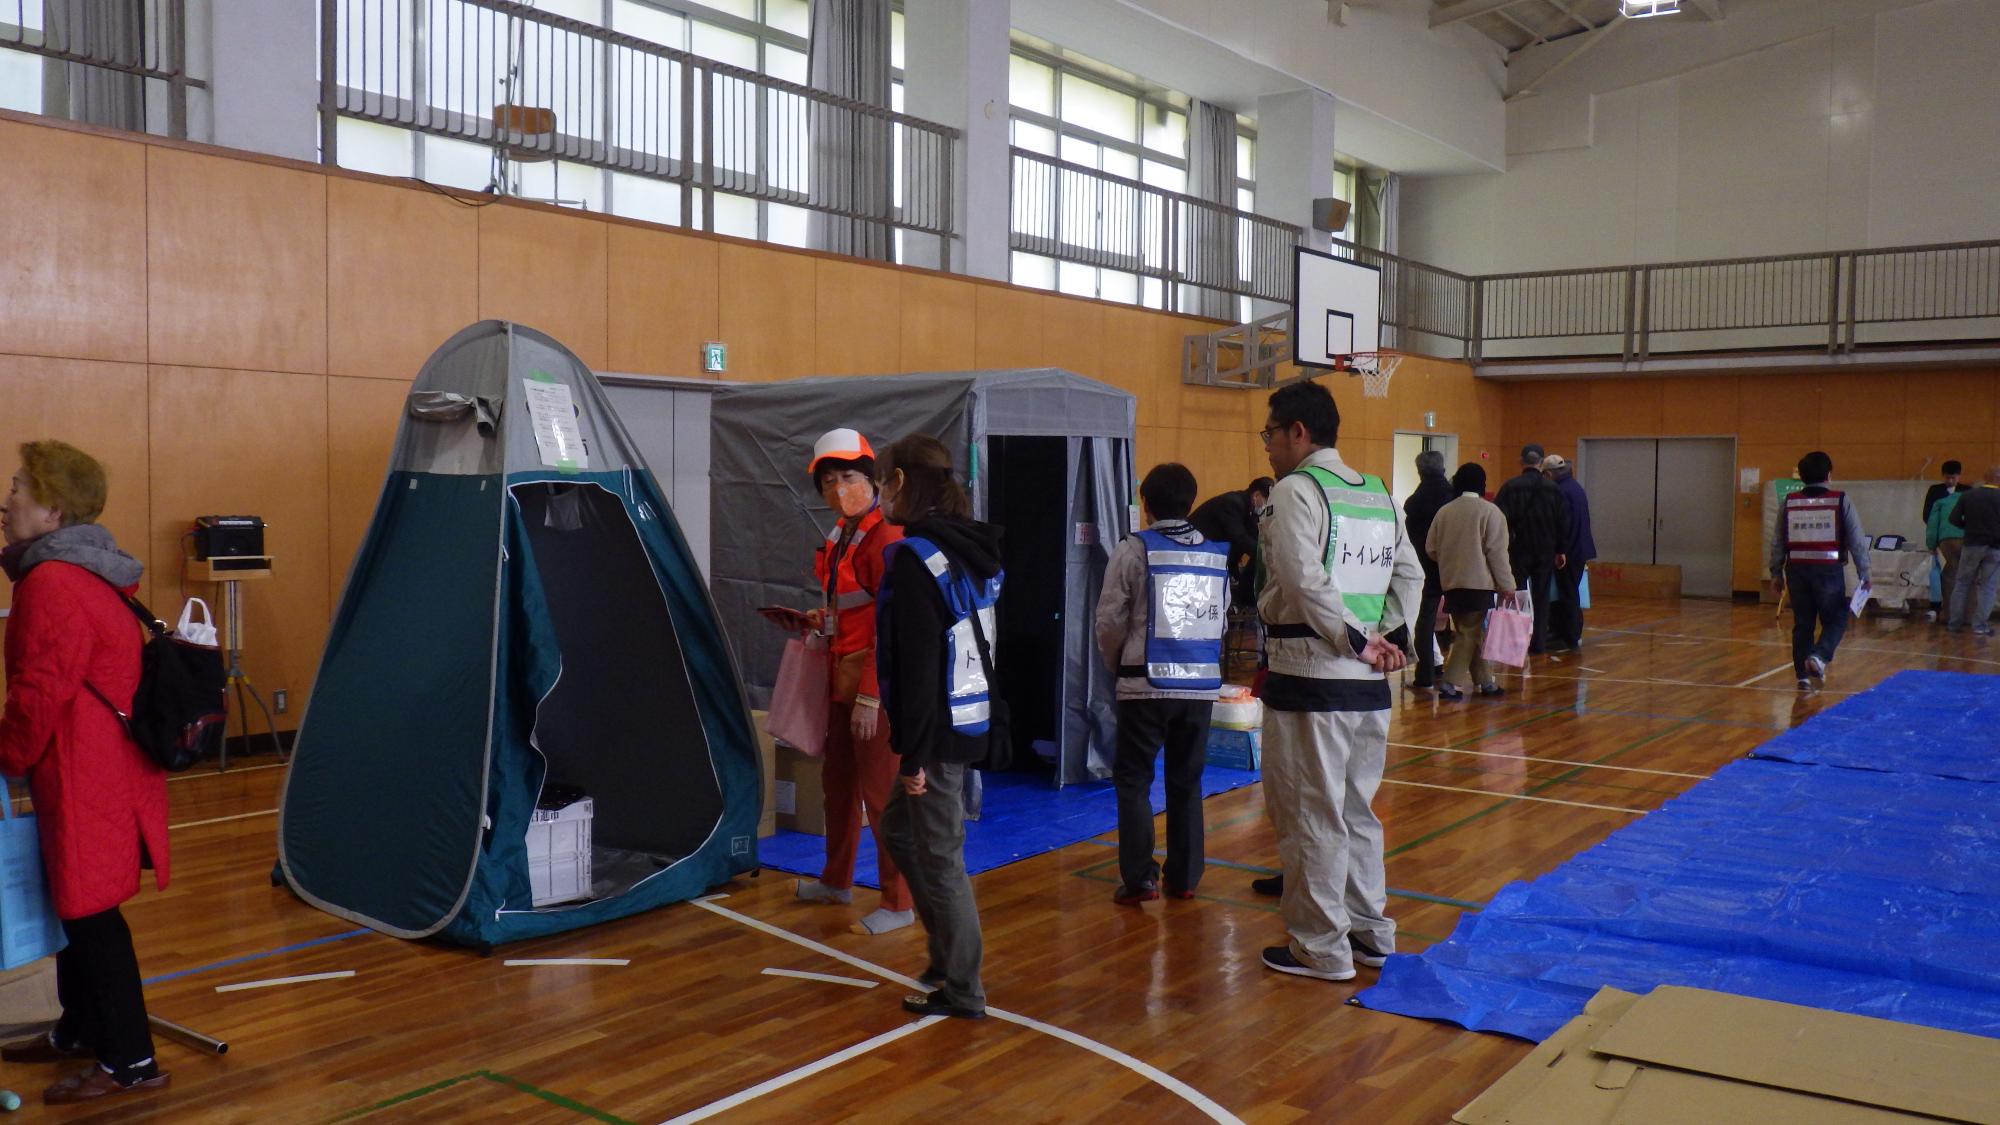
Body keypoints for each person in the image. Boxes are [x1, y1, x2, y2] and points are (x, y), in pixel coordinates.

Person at [0, 441, 171, 1106]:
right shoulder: (80, 571)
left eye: (19, 487)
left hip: (83, 774)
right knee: (78, 909)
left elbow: (39, 691)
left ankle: (129, 1059)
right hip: (99, 769)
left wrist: (7, 754)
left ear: (52, 511)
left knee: (94, 916)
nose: (8, 498)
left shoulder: (52, 584)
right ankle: (78, 1029)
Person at [1253, 380, 1423, 983]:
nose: (1267, 445)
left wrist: (1355, 639)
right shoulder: (1378, 492)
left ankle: (1321, 946)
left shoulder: (1296, 490)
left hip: (1312, 671)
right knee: (1356, 810)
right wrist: (1391, 640)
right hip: (1367, 682)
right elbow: (1411, 573)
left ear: (1298, 432)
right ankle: (1370, 932)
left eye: (1270, 432)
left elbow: (1302, 579)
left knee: (1310, 812)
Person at [760, 429, 915, 935]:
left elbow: (891, 629)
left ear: (871, 478)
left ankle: (898, 900)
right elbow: (851, 610)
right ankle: (837, 880)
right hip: (839, 682)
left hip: (874, 691)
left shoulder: (886, 537)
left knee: (882, 796)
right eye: (828, 480)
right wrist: (812, 619)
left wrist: (872, 695)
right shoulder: (843, 534)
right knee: (838, 788)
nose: (838, 487)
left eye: (848, 476)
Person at [873, 434, 1004, 1019]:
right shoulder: (965, 549)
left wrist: (913, 756)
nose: (877, 493)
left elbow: (918, 666)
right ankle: (946, 956)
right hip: (967, 715)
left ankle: (962, 988)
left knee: (941, 856)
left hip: (939, 731)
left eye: (879, 480)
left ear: (900, 481)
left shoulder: (914, 558)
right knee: (901, 833)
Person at [1095, 463, 1225, 905]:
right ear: (1191, 501)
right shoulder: (1214, 553)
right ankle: (1185, 878)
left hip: (1143, 685)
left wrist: (1115, 664)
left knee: (1133, 779)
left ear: (1145, 506)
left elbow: (1109, 618)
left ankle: (1140, 881)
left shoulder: (1133, 549)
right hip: (1201, 687)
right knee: (1187, 781)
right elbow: (1220, 619)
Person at [1770, 451, 1871, 689]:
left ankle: (1802, 678)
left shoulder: (1789, 502)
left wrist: (1776, 572)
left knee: (1803, 623)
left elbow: (1777, 541)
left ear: (1801, 476)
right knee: (1836, 619)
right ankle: (1819, 657)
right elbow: (1857, 539)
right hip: (1828, 569)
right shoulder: (1840, 500)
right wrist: (1864, 572)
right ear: (1828, 474)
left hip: (1796, 569)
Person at [1425, 463, 1519, 701]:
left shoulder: (1444, 512)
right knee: (1469, 633)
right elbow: (1497, 552)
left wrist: (1451, 562)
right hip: (1479, 584)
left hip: (1452, 582)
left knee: (1472, 631)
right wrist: (1507, 585)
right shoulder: (1490, 512)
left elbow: (1431, 549)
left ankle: (1486, 681)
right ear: (1482, 483)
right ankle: (1450, 683)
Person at [1492, 444, 1570, 655]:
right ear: (1541, 462)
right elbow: (1563, 521)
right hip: (1546, 549)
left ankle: (1511, 641)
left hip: (1517, 550)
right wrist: (1560, 550)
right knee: (1541, 596)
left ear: (1521, 461)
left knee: (1513, 594)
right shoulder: (1553, 489)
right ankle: (1539, 644)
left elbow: (1498, 519)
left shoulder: (1510, 487)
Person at [1401, 451, 1456, 689]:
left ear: (1419, 471)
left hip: (1426, 568)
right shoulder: (1455, 496)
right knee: (1469, 625)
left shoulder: (1414, 503)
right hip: (1457, 567)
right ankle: (1478, 677)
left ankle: (1425, 675)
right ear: (1443, 468)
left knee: (1424, 622)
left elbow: (1410, 539)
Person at [1189, 477, 1273, 610]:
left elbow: (1254, 538)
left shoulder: (1249, 509)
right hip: (1196, 556)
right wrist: (1265, 554)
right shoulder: (1233, 503)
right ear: (1256, 495)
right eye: (1267, 502)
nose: (1266, 507)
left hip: (1214, 555)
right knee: (1260, 554)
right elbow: (1239, 538)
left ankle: (1246, 599)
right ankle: (1245, 600)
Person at [1540, 454, 1595, 652]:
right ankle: (1568, 633)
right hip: (1580, 548)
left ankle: (1569, 635)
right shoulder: (1576, 487)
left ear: (1549, 473)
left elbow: (1563, 524)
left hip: (1569, 551)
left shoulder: (1560, 491)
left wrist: (1559, 551)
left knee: (1567, 593)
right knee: (1570, 592)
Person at [1946, 464, 2000, 636]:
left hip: (1972, 545)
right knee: (1988, 587)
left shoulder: (1968, 495)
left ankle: (1954, 624)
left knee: (1962, 583)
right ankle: (1980, 625)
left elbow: (1953, 519)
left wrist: (1969, 528)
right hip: (1995, 548)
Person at [1926, 482, 1966, 626]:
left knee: (1950, 576)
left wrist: (1931, 545)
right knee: (1970, 577)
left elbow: (1932, 525)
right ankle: (1969, 615)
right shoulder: (1970, 500)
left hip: (1947, 540)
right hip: (1971, 540)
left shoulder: (1940, 502)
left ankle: (1948, 614)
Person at [1923, 460, 1971, 524]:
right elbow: (1927, 513)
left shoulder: (1967, 491)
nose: (1950, 481)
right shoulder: (1934, 490)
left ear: (1959, 476)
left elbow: (1971, 512)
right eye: (1947, 478)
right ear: (1942, 475)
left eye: (1953, 478)